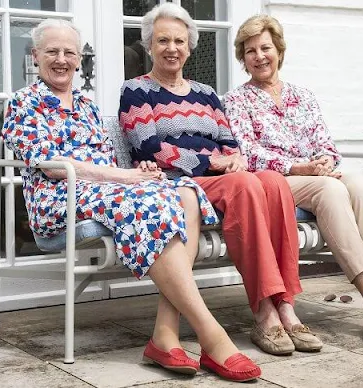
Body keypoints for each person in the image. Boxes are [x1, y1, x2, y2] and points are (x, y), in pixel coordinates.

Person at [1, 19, 260, 382]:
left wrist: (141, 173)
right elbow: (56, 168)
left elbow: (108, 161)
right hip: (60, 197)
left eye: (69, 53)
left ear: (78, 60)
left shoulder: (86, 105)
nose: (61, 60)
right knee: (149, 201)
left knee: (184, 192)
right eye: (52, 52)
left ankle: (165, 335)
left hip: (104, 191)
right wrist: (128, 177)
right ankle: (211, 335)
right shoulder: (24, 102)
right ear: (35, 57)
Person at [119, 3, 324, 359]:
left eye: (179, 41)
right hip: (173, 184)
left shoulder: (206, 93)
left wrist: (233, 158)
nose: (172, 48)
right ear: (149, 45)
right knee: (244, 185)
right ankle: (264, 312)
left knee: (273, 181)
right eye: (162, 40)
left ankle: (286, 304)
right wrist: (210, 161)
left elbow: (229, 142)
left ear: (190, 46)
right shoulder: (137, 90)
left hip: (216, 180)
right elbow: (149, 148)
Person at [224, 15, 363, 347]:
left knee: (358, 184)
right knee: (331, 189)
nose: (259, 56)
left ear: (279, 51)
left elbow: (324, 141)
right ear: (243, 59)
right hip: (277, 181)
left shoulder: (303, 95)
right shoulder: (236, 101)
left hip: (315, 174)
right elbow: (248, 153)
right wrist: (299, 167)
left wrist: (326, 159)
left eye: (266, 48)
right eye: (250, 51)